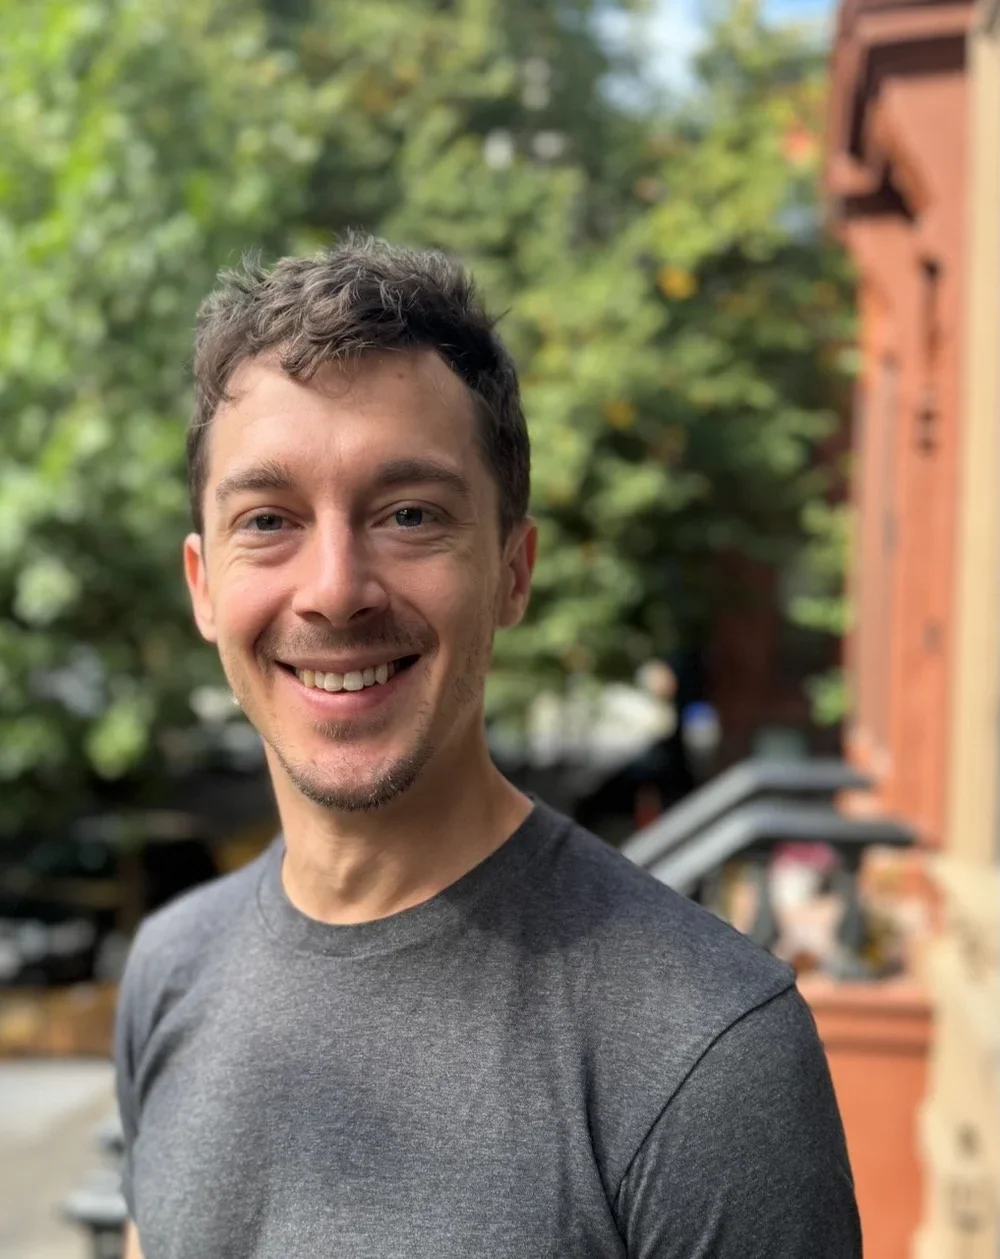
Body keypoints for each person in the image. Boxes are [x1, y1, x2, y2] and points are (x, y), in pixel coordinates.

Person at [115, 236, 862, 1259]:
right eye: (269, 519)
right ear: (204, 586)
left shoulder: (706, 1046)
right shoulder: (169, 970)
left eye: (408, 513)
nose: (333, 588)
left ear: (513, 570)